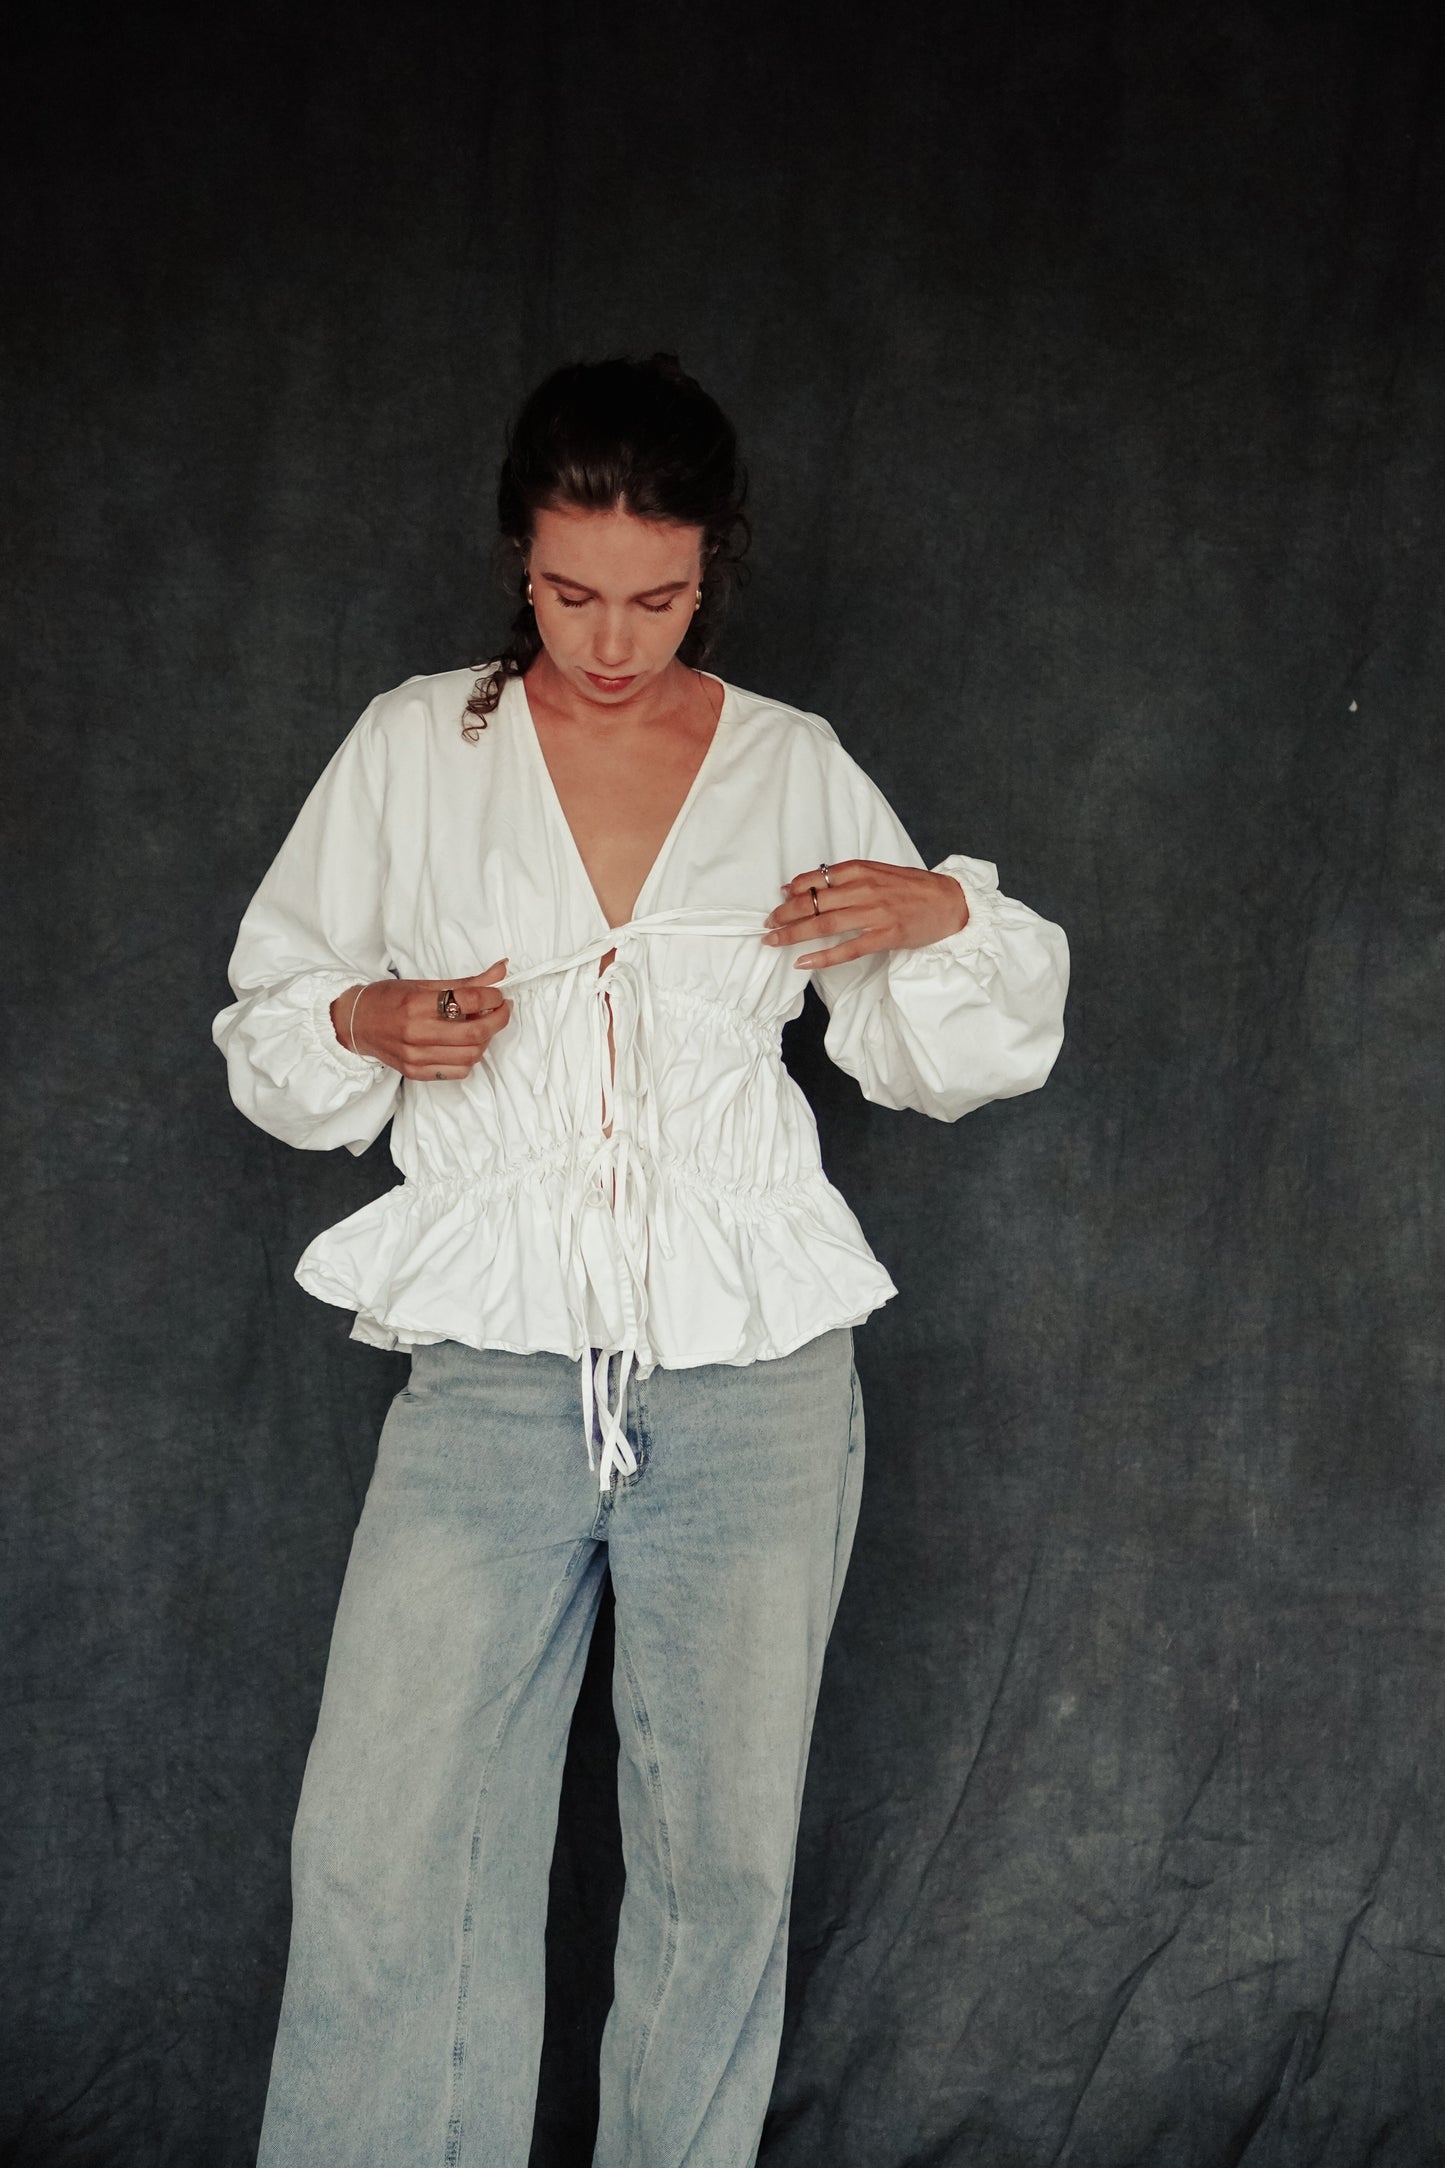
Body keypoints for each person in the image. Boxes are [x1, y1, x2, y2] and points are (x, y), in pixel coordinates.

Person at [213, 353, 1070, 2168]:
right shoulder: (410, 746)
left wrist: (945, 914)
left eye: (657, 596)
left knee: (716, 1869)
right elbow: (275, 1030)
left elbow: (929, 1056)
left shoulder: (790, 766)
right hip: (492, 1382)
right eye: (567, 589)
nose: (611, 636)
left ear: (715, 569)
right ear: (516, 559)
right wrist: (365, 1013)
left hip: (755, 1390)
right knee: (387, 1846)